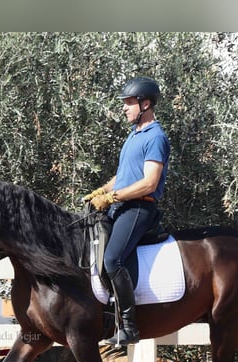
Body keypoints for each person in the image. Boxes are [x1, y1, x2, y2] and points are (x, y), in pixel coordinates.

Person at [83, 76, 170, 346]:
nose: (125, 108)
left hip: (139, 208)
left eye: (130, 103)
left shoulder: (155, 137)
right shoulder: (133, 136)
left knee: (112, 260)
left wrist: (111, 198)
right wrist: (101, 190)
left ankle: (129, 327)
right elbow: (122, 177)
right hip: (121, 204)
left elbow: (149, 182)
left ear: (146, 104)